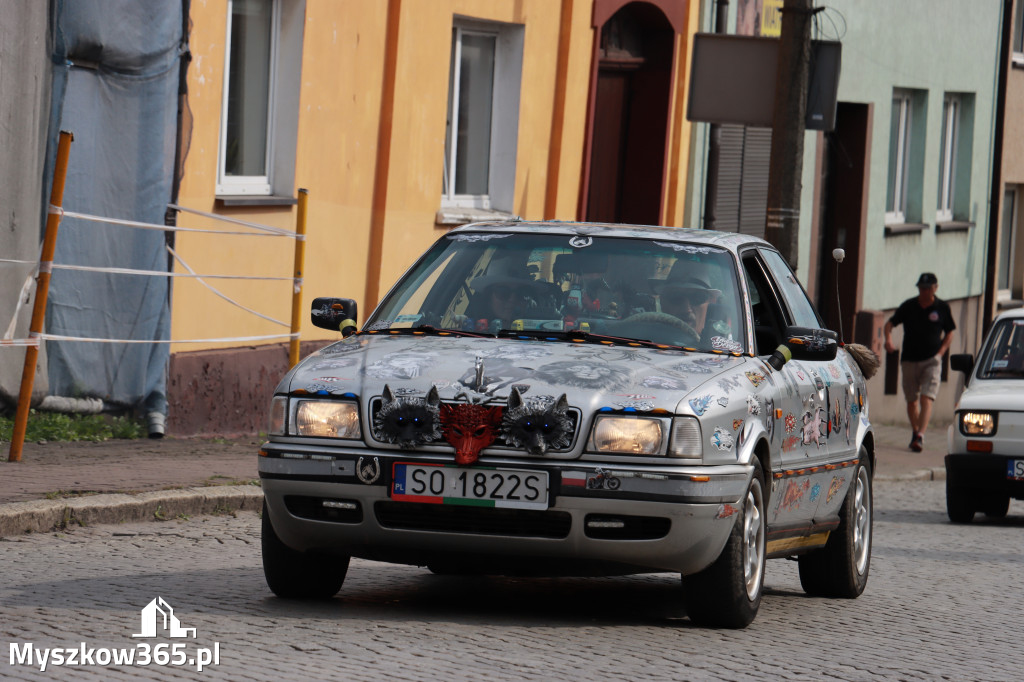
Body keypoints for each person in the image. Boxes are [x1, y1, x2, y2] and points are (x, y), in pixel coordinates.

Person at [884, 272, 956, 452]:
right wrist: (888, 340)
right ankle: (915, 432)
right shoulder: (909, 306)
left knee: (926, 398)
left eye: (927, 288)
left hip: (932, 360)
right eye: (921, 288)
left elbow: (949, 332)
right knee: (911, 401)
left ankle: (921, 436)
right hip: (909, 360)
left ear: (935, 288)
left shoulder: (942, 308)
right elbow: (890, 323)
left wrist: (940, 353)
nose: (924, 292)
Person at [651, 261, 722, 338]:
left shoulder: (722, 346)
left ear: (710, 304)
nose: (686, 309)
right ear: (663, 302)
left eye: (697, 298)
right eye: (676, 297)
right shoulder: (647, 339)